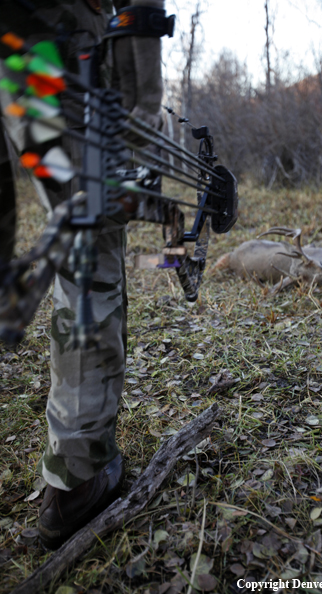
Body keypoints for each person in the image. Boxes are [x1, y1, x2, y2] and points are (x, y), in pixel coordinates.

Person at [0, 0, 168, 549]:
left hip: (26, 53)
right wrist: (144, 76)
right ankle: (78, 479)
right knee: (85, 223)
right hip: (52, 40)